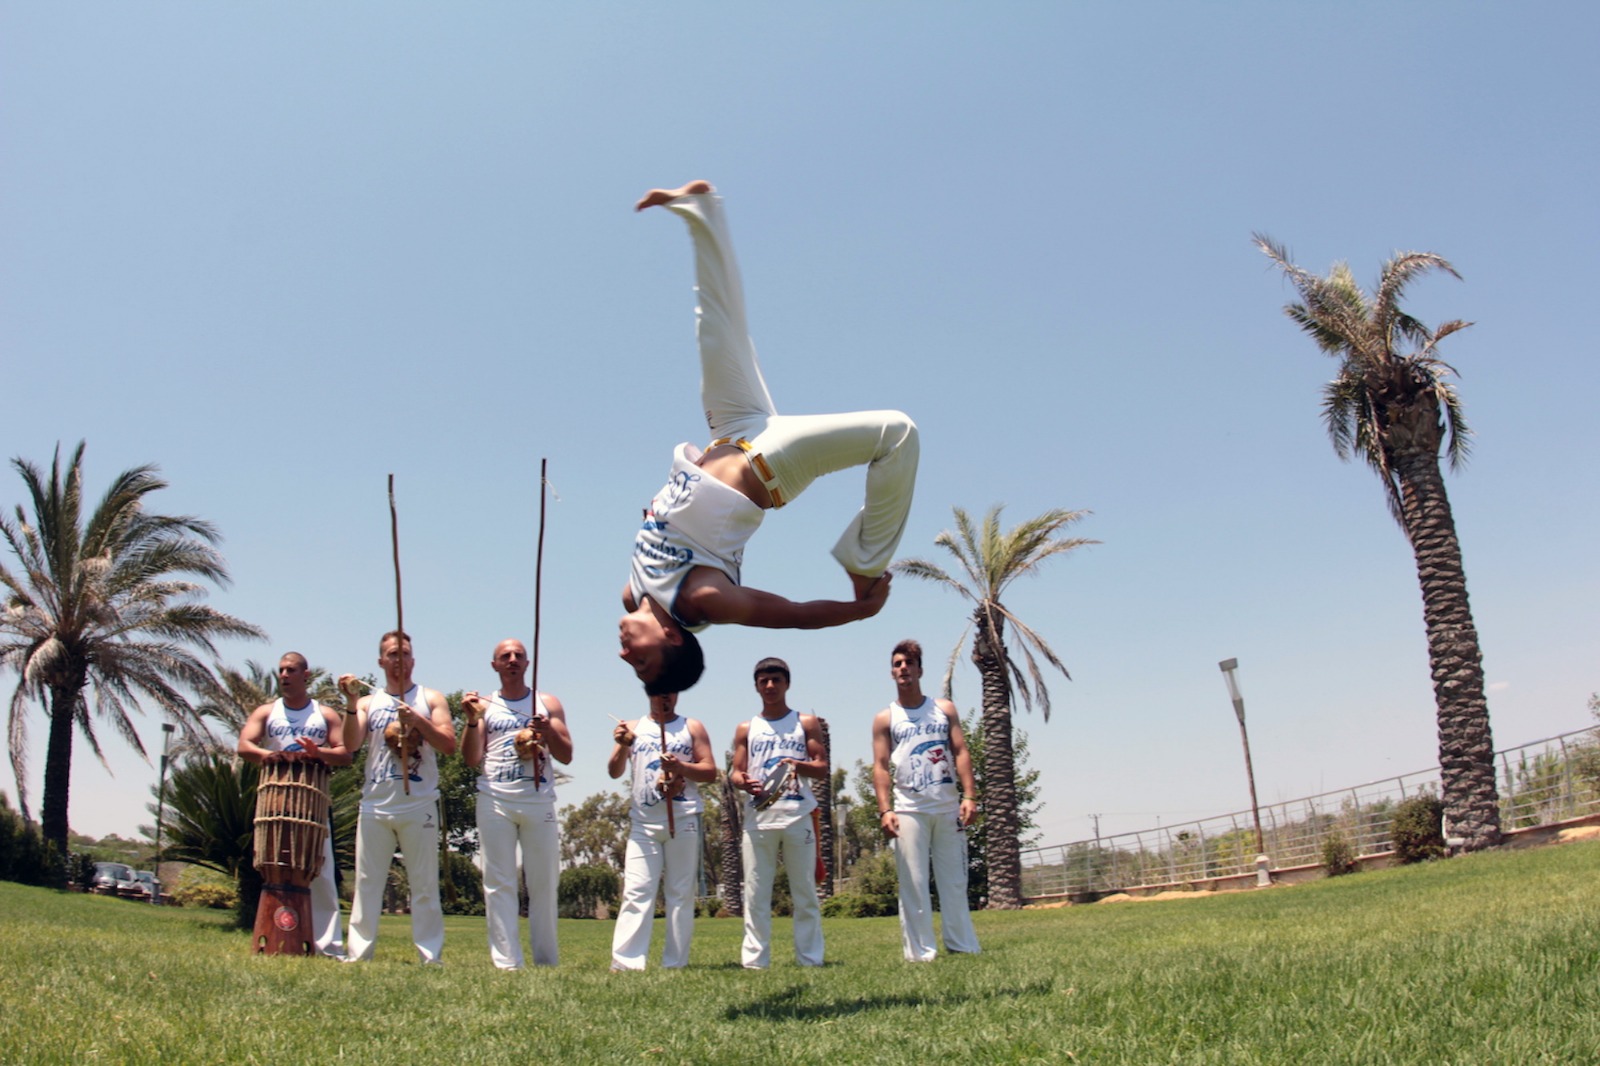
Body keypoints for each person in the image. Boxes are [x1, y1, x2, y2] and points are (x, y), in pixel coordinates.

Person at [620, 181, 920, 695]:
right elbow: (790, 615)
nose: (625, 654)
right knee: (898, 433)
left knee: (716, 324)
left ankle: (701, 209)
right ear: (671, 637)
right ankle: (865, 564)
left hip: (730, 429)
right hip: (770, 463)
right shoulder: (703, 600)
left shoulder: (634, 595)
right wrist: (858, 611)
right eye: (641, 663)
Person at [337, 630, 456, 964]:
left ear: (413, 660)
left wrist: (417, 719)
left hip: (419, 803)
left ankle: (430, 956)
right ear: (380, 661)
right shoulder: (366, 702)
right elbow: (350, 745)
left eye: (404, 653)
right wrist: (348, 702)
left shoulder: (430, 698)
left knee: (423, 885)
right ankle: (359, 954)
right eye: (392, 654)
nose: (398, 660)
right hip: (375, 804)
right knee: (367, 883)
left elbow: (449, 744)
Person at [461, 639, 572, 970]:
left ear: (528, 664)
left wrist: (548, 728)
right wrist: (469, 720)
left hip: (538, 800)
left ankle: (546, 960)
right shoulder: (484, 705)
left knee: (543, 882)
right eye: (505, 656)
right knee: (499, 882)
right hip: (495, 798)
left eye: (518, 656)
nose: (512, 660)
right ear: (494, 665)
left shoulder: (546, 703)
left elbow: (566, 754)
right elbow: (470, 758)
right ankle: (507, 961)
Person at [237, 651, 352, 959]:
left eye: (291, 670)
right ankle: (272, 937)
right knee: (274, 869)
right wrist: (270, 757)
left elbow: (345, 754)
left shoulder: (324, 714)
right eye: (281, 670)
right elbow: (244, 744)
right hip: (274, 803)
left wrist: (319, 753)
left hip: (312, 806)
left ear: (306, 675)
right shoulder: (267, 711)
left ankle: (328, 948)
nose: (284, 675)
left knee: (322, 875)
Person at [871, 639, 980, 962]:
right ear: (892, 672)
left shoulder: (944, 709)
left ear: (920, 669)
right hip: (908, 810)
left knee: (954, 881)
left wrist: (970, 795)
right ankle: (920, 953)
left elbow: (960, 751)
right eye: (897, 664)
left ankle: (962, 945)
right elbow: (879, 766)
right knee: (914, 885)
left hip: (947, 807)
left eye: (908, 663)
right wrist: (885, 809)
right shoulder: (885, 718)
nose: (903, 668)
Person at [607, 692, 716, 971]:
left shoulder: (691, 727)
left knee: (680, 893)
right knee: (637, 889)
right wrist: (620, 746)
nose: (663, 698)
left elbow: (709, 771)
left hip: (683, 818)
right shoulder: (632, 727)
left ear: (677, 694)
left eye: (669, 693)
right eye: (658, 692)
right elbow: (614, 771)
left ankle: (675, 962)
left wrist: (680, 767)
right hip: (643, 823)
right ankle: (626, 962)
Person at [728, 657, 826, 969]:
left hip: (798, 815)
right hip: (759, 819)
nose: (770, 686)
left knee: (805, 893)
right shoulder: (747, 728)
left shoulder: (806, 722)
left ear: (787, 684)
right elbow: (735, 772)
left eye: (776, 680)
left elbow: (822, 767)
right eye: (764, 681)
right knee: (756, 895)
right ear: (756, 686)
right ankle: (755, 961)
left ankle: (810, 959)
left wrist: (799, 765)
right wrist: (742, 781)